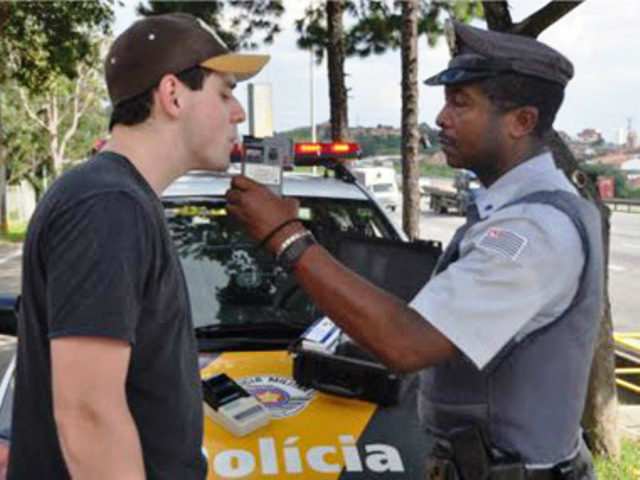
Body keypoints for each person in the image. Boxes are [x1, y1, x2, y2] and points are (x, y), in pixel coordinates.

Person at [226, 21, 602, 480]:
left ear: (521, 122)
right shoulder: (515, 211)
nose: (441, 118)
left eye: (460, 103)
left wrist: (286, 237)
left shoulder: (533, 231)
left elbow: (406, 343)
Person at [7, 13, 268, 480]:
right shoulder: (108, 205)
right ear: (172, 95)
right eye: (224, 93)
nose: (238, 113)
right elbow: (89, 415)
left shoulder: (119, 198)